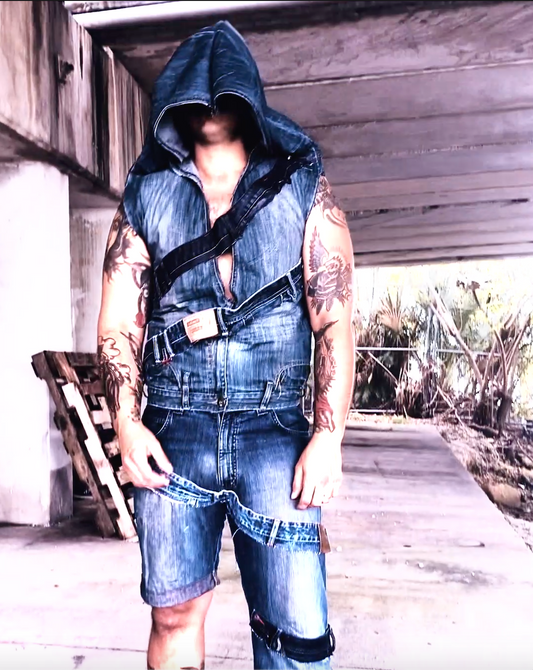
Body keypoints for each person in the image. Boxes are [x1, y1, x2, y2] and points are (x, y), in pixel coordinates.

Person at [97, 20, 354, 670]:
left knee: (297, 631)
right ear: (172, 103)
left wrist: (328, 437)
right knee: (173, 615)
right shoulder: (145, 194)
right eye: (197, 90)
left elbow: (335, 320)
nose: (210, 98)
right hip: (173, 432)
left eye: (225, 89)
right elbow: (119, 325)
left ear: (248, 98)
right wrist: (125, 422)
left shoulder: (301, 182)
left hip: (275, 432)